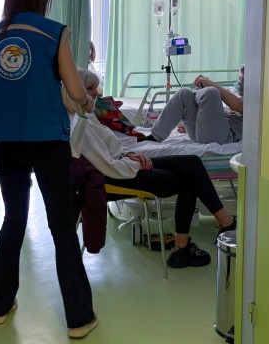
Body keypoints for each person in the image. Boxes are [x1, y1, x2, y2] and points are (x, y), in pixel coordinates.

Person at [0, 0, 98, 339]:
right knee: (61, 227)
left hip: (8, 144)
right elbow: (76, 90)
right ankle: (79, 319)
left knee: (13, 220)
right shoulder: (53, 33)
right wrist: (87, 103)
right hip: (48, 142)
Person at [64, 68, 236, 269]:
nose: (96, 93)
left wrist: (130, 154)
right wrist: (134, 162)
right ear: (74, 91)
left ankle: (222, 226)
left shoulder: (85, 115)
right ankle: (187, 245)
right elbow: (105, 164)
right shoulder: (78, 123)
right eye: (90, 88)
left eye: (95, 87)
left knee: (192, 163)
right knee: (189, 178)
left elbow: (110, 146)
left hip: (122, 166)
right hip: (115, 176)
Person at [146, 65, 245, 144]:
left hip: (225, 137)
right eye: (239, 78)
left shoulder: (253, 101)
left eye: (243, 79)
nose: (239, 82)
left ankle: (199, 92)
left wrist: (209, 83)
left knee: (211, 92)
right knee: (184, 93)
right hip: (208, 132)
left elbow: (237, 105)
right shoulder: (237, 95)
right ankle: (155, 136)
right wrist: (200, 122)